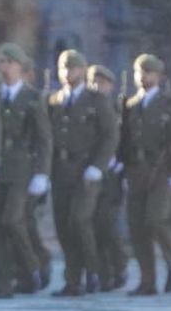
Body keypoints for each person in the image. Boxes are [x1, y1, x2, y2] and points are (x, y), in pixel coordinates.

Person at [47, 49, 118, 296]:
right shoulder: (55, 100)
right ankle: (73, 278)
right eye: (63, 68)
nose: (67, 73)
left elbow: (110, 135)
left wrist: (98, 165)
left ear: (82, 70)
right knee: (63, 226)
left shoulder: (96, 100)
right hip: (61, 170)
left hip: (86, 169)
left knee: (80, 220)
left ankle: (94, 271)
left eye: (72, 68)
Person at [0, 45, 50, 299]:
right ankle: (3, 282)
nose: (5, 67)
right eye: (2, 62)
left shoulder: (32, 97)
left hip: (23, 168)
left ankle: (33, 266)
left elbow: (44, 139)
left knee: (12, 220)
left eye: (10, 62)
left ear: (20, 67)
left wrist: (41, 173)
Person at [119, 53, 171, 295]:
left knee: (155, 220)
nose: (143, 77)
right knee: (137, 226)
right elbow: (125, 140)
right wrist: (121, 166)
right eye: (139, 72)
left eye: (148, 73)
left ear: (158, 76)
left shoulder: (168, 104)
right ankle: (147, 280)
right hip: (136, 171)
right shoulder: (130, 105)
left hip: (161, 171)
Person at [85, 64, 130, 291]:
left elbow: (127, 138)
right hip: (93, 171)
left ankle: (119, 265)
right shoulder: (87, 108)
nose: (97, 86)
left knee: (108, 224)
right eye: (93, 82)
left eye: (101, 83)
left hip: (113, 174)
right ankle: (104, 274)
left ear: (110, 86)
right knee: (94, 224)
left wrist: (121, 162)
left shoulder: (119, 109)